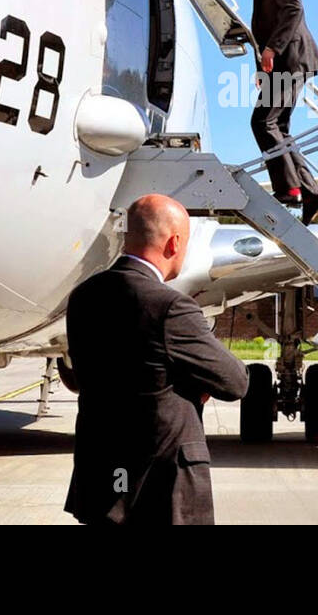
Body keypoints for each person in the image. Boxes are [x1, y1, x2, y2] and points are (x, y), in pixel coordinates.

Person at [64, 194, 249, 525]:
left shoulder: (83, 297)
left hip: (101, 478)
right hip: (160, 486)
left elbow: (88, 377)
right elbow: (235, 382)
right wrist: (192, 383)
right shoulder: (169, 306)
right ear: (174, 242)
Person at [244, 0, 318, 225]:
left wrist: (272, 50)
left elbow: (294, 9)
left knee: (263, 121)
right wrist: (262, 67)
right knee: (279, 127)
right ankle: (310, 191)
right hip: (285, 61)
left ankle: (289, 189)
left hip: (291, 58)